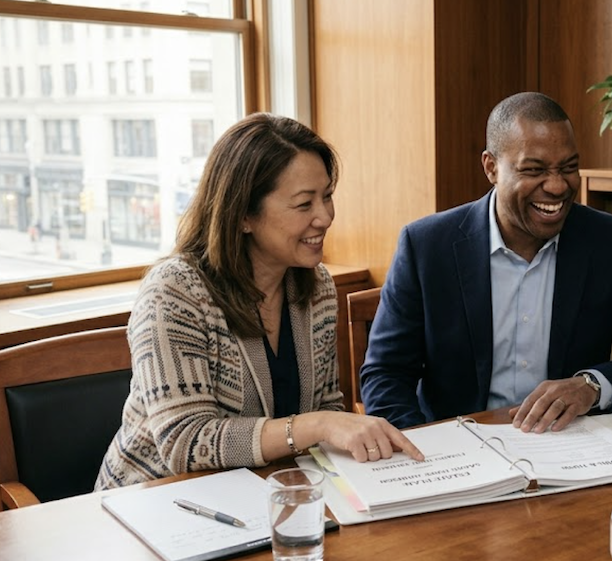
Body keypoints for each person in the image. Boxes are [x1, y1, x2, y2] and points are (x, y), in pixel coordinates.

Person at [96, 113, 422, 490]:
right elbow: (185, 443)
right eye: (304, 204)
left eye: (327, 196)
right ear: (244, 216)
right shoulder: (174, 292)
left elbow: (328, 407)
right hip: (153, 506)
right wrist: (314, 426)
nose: (326, 216)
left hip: (267, 494)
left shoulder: (317, 288)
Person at [361, 92, 612, 432]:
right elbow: (385, 374)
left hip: (573, 446)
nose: (558, 186)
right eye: (534, 170)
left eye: (569, 167)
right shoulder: (427, 246)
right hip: (460, 447)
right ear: (491, 167)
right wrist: (428, 450)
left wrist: (591, 385)